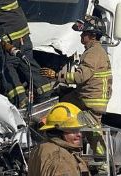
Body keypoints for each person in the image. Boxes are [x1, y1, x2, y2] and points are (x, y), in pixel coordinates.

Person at [40, 15, 112, 163]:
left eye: (84, 33)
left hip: (89, 99)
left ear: (92, 35)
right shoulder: (96, 51)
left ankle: (102, 163)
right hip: (89, 97)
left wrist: (56, 75)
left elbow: (80, 77)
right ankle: (101, 162)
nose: (81, 36)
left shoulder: (93, 53)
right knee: (91, 129)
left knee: (84, 126)